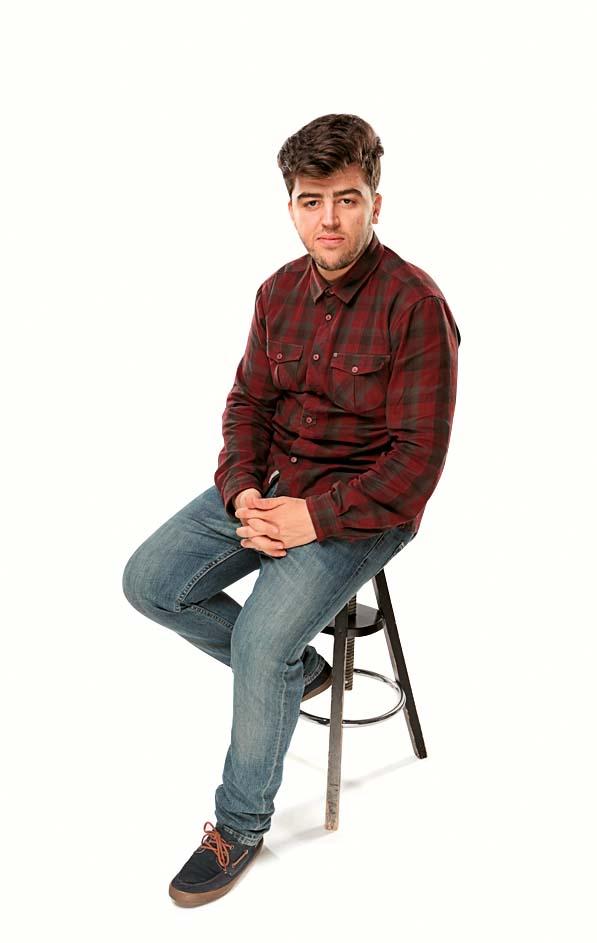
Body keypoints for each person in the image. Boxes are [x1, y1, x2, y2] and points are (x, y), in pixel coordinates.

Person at [122, 112, 461, 907]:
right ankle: (301, 671)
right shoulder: (277, 291)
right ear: (293, 208)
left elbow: (415, 466)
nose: (329, 219)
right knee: (149, 581)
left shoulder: (416, 305)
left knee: (259, 638)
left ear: (376, 203)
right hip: (271, 483)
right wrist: (243, 489)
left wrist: (314, 519)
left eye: (347, 199)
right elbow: (247, 404)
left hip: (363, 508)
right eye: (313, 201)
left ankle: (239, 824)